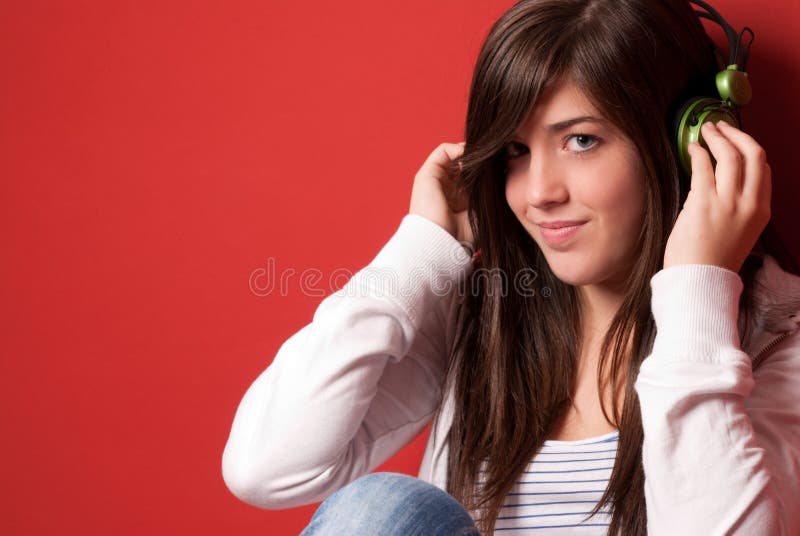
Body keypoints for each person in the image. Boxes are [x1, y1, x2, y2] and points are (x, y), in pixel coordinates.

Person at [221, 0, 800, 534]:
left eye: (579, 140)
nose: (538, 193)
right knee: (380, 511)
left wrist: (697, 290)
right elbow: (264, 469)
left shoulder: (781, 338)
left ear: (688, 143)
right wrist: (421, 247)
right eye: (516, 152)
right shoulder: (481, 312)